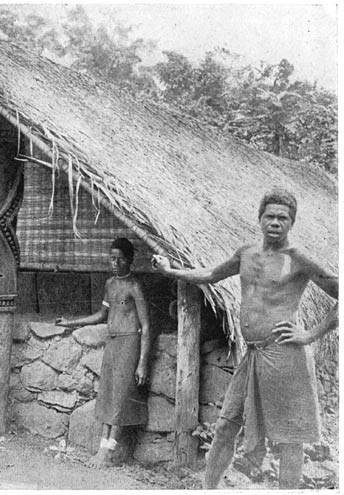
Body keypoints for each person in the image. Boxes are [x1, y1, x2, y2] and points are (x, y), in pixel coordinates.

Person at [151, 189, 338, 489]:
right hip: (251, 353)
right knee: (226, 424)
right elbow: (211, 274)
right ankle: (207, 489)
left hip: (285, 355)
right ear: (260, 218)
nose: (275, 222)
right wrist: (171, 270)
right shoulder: (246, 253)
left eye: (283, 218)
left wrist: (310, 334)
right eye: (270, 216)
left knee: (290, 438)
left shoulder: (298, 258)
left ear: (292, 223)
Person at [56, 237, 151, 467]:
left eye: (120, 259)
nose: (115, 263)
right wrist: (71, 323)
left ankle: (107, 453)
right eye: (112, 259)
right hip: (113, 344)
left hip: (130, 344)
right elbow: (101, 315)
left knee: (120, 396)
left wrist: (142, 363)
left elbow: (146, 326)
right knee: (108, 394)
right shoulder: (110, 284)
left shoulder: (134, 286)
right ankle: (101, 448)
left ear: (129, 260)